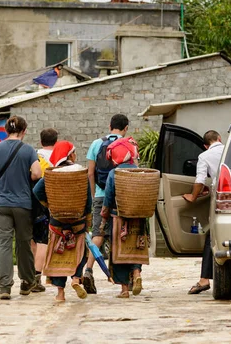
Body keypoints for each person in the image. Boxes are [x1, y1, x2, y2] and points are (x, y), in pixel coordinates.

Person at [0, 116, 42, 300]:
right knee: (23, 242)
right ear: (24, 131)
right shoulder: (28, 150)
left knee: (3, 243)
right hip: (22, 204)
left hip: (0, 203)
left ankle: (4, 287)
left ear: (6, 130)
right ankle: (27, 282)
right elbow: (37, 173)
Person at [33, 141, 93, 301]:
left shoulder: (53, 173)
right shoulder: (80, 172)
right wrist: (87, 218)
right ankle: (75, 279)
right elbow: (88, 199)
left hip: (57, 221)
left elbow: (37, 190)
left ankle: (60, 294)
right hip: (77, 221)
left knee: (58, 255)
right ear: (70, 155)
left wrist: (49, 204)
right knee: (80, 251)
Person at [83, 113, 129, 294]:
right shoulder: (127, 144)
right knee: (121, 235)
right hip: (122, 197)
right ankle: (125, 281)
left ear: (110, 126)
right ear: (126, 128)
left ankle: (88, 269)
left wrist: (95, 195)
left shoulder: (96, 144)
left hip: (101, 196)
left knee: (98, 233)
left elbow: (90, 173)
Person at [100, 137, 148, 298]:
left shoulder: (114, 173)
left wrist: (104, 216)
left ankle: (124, 290)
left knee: (119, 252)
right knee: (136, 247)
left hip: (119, 218)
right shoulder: (140, 172)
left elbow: (108, 197)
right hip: (138, 218)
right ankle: (136, 273)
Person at [183, 130, 224, 295]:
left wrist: (193, 196)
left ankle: (204, 279)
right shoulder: (230, 149)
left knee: (212, 235)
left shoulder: (204, 156)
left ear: (205, 145)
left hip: (221, 197)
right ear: (220, 139)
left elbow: (200, 179)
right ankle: (205, 278)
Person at [31, 128, 58, 293]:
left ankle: (32, 272)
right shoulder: (57, 158)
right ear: (56, 141)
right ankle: (37, 276)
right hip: (49, 201)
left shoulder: (34, 156)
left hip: (30, 201)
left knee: (32, 239)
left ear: (41, 141)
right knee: (43, 241)